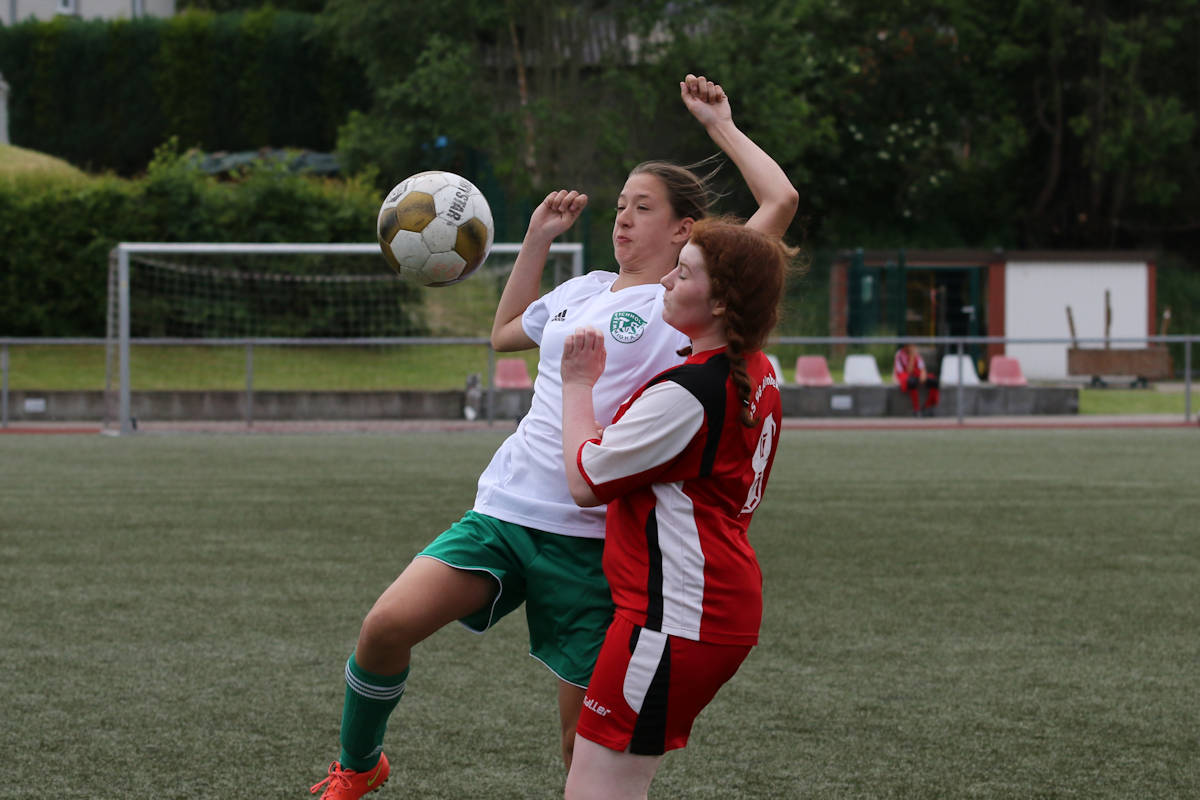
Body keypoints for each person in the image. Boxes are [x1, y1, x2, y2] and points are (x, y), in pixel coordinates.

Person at [309, 74, 797, 800]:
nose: (623, 220)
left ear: (684, 231)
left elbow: (779, 204)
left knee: (582, 751)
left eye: (642, 208)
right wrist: (536, 238)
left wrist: (720, 125)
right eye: (620, 207)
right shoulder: (582, 289)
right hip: (506, 509)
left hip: (594, 543)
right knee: (384, 627)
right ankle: (359, 767)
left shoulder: (684, 304)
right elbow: (506, 332)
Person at [558, 216, 795, 800]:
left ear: (719, 302)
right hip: (702, 608)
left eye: (683, 272)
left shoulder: (690, 393)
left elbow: (587, 479)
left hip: (673, 620)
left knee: (596, 791)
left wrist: (577, 385)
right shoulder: (756, 371)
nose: (664, 278)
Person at [894, 342, 939, 416]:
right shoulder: (900, 355)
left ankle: (928, 406)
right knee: (912, 383)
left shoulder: (916, 355)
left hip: (917, 375)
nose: (913, 347)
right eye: (911, 345)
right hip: (906, 376)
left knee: (934, 382)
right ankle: (916, 409)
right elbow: (909, 371)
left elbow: (922, 367)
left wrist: (923, 374)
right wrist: (912, 357)